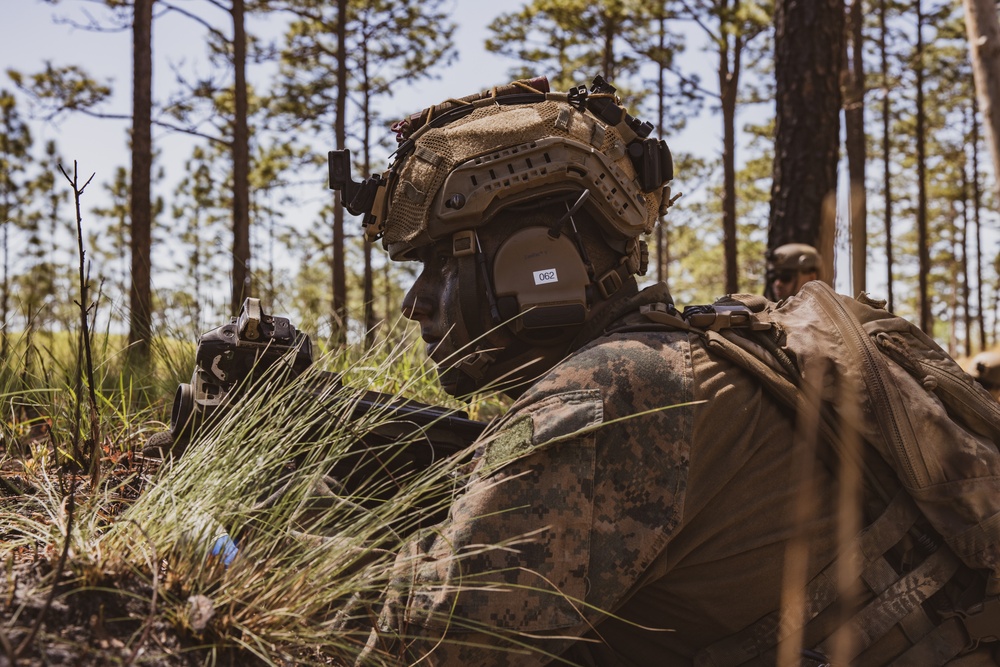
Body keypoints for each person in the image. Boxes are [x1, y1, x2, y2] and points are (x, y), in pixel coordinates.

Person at [331, 76, 997, 666]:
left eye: (441, 263)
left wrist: (247, 547)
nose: (413, 301)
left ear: (537, 264)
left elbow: (416, 647)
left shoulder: (617, 389)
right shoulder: (673, 354)